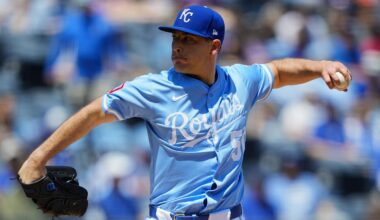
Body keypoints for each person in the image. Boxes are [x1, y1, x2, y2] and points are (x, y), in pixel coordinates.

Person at [18, 5, 351, 220]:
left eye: (189, 40)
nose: (178, 46)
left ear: (214, 46)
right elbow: (93, 113)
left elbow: (278, 72)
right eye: (176, 37)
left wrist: (320, 65)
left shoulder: (240, 80)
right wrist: (37, 159)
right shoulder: (153, 88)